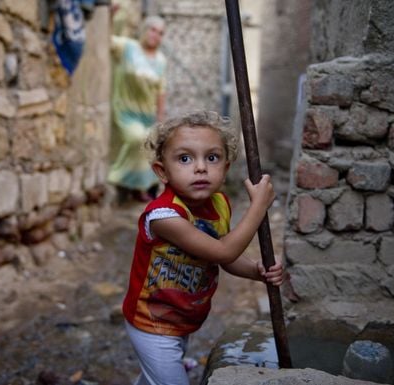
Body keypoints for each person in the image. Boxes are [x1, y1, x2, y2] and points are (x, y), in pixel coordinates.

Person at [122, 111, 284, 385]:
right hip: (151, 324)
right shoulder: (164, 216)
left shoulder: (219, 204)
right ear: (162, 171)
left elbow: (223, 255)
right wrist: (258, 207)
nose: (201, 168)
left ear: (226, 167)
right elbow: (223, 252)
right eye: (185, 158)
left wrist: (256, 271)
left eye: (212, 158)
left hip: (181, 318)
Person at [107, 14, 167, 202]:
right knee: (137, 139)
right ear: (144, 29)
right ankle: (116, 178)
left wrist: (160, 117)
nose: (155, 35)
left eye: (160, 33)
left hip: (147, 114)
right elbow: (106, 40)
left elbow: (161, 90)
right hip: (125, 110)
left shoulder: (160, 60)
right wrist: (109, 16)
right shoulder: (127, 47)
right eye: (152, 29)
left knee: (151, 145)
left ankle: (141, 188)